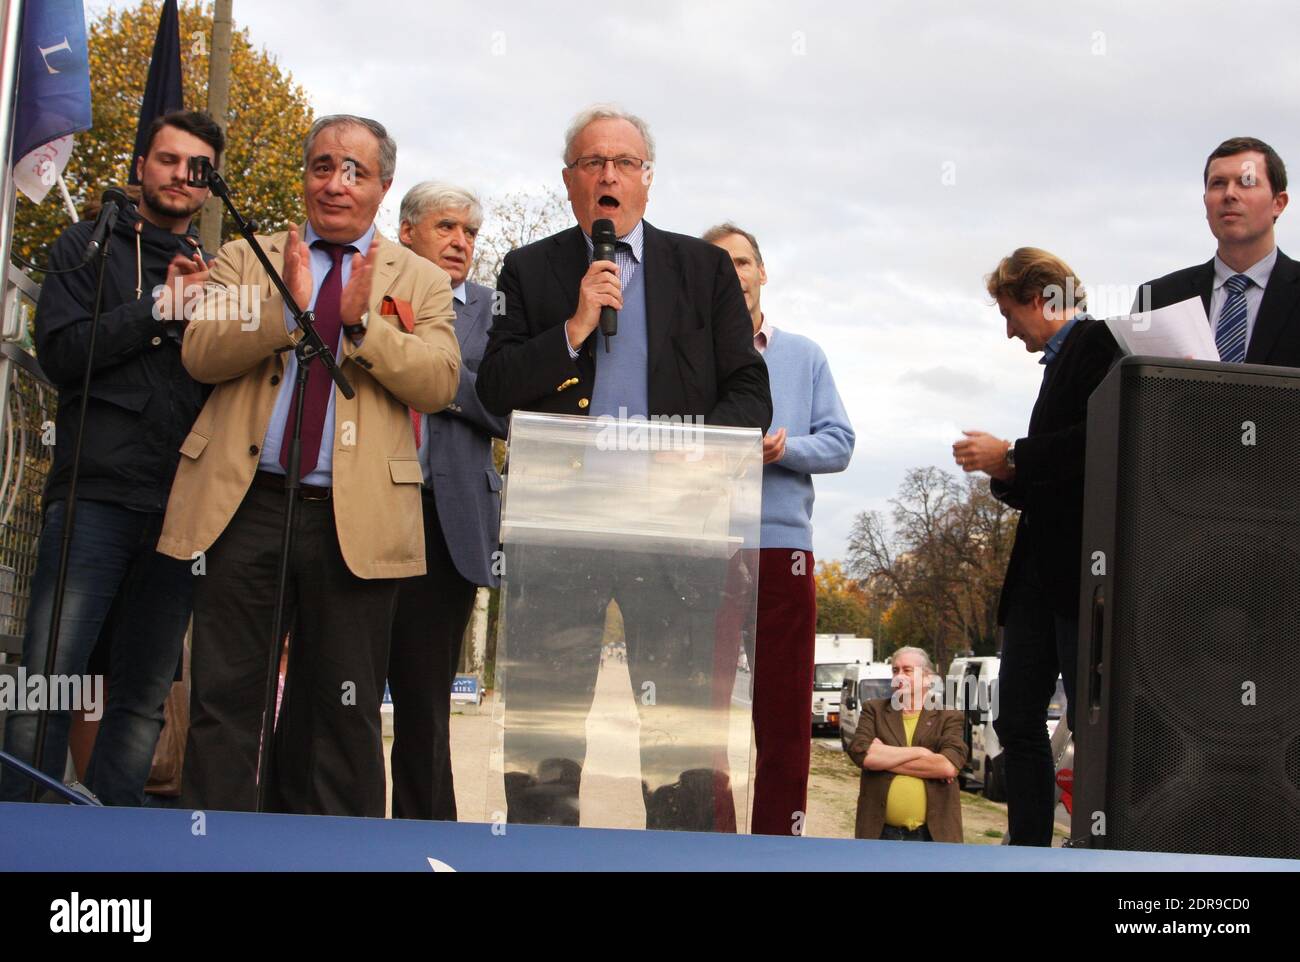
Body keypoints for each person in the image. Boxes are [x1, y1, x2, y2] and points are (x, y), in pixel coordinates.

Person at [476, 104, 771, 829]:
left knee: (675, 734)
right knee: (546, 728)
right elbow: (495, 388)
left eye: (624, 163)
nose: (608, 175)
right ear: (570, 181)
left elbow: (750, 393)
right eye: (592, 163)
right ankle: (544, 858)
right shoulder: (530, 268)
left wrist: (696, 441)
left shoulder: (702, 270)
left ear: (647, 180)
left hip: (673, 531)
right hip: (558, 532)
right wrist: (573, 331)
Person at [156, 114, 461, 817]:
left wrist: (363, 328)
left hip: (355, 521)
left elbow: (439, 383)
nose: (336, 182)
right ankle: (219, 856)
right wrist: (285, 310)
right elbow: (200, 352)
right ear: (306, 177)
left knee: (342, 712)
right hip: (245, 507)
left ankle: (334, 858)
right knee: (226, 700)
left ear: (383, 186)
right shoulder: (246, 255)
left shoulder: (419, 280)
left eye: (354, 171)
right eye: (322, 165)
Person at [0, 111, 223, 806]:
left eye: (198, 166)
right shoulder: (83, 247)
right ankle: (23, 834)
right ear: (141, 166)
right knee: (48, 680)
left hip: (183, 510)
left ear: (211, 187)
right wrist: (161, 305)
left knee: (145, 695)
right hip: (94, 497)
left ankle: (115, 842)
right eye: (168, 159)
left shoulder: (227, 277)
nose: (181, 175)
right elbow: (64, 357)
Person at [952, 247, 1117, 845]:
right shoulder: (1058, 361)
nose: (1007, 329)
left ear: (1041, 299)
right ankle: (1025, 848)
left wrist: (1014, 456)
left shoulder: (1100, 347)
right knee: (1018, 719)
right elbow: (1054, 479)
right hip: (1035, 582)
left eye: (1009, 313)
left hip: (1079, 578)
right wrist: (1006, 471)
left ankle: (1094, 845)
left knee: (1091, 723)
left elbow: (1098, 445)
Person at [704, 221, 854, 836]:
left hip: (782, 550)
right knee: (702, 715)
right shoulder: (692, 351)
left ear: (762, 272)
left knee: (784, 715)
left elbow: (841, 443)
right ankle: (711, 842)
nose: (734, 274)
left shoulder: (804, 355)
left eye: (742, 262)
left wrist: (784, 450)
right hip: (706, 545)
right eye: (720, 265)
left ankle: (776, 848)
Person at [389, 181, 507, 820]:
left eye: (470, 233)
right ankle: (327, 835)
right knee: (337, 692)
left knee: (424, 696)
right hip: (361, 510)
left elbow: (506, 405)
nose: (461, 242)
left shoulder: (496, 312)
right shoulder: (368, 292)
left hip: (446, 522)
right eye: (446, 228)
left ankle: (426, 838)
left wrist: (417, 365)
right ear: (406, 231)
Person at [1138, 137, 1299, 365]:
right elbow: (1125, 393)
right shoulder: (1159, 298)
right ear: (1205, 203)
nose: (1229, 194)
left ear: (1278, 203)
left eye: (1246, 182)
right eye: (1218, 183)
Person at [847, 647, 966, 842]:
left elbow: (947, 766)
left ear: (928, 678)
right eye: (895, 670)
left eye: (907, 670)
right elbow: (862, 754)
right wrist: (921, 752)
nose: (899, 676)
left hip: (933, 835)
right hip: (880, 832)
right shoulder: (874, 710)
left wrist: (884, 756)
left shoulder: (948, 716)